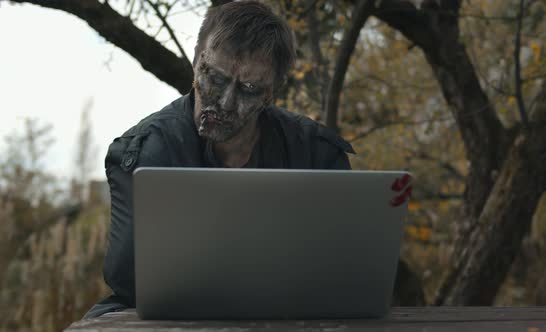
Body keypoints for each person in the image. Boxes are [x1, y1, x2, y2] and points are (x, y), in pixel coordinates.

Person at [84, 1, 356, 318]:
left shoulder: (317, 152)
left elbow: (345, 272)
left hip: (290, 313)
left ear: (271, 94)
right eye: (214, 77)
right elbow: (127, 281)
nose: (225, 102)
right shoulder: (144, 151)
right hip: (174, 315)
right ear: (197, 63)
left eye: (250, 89)